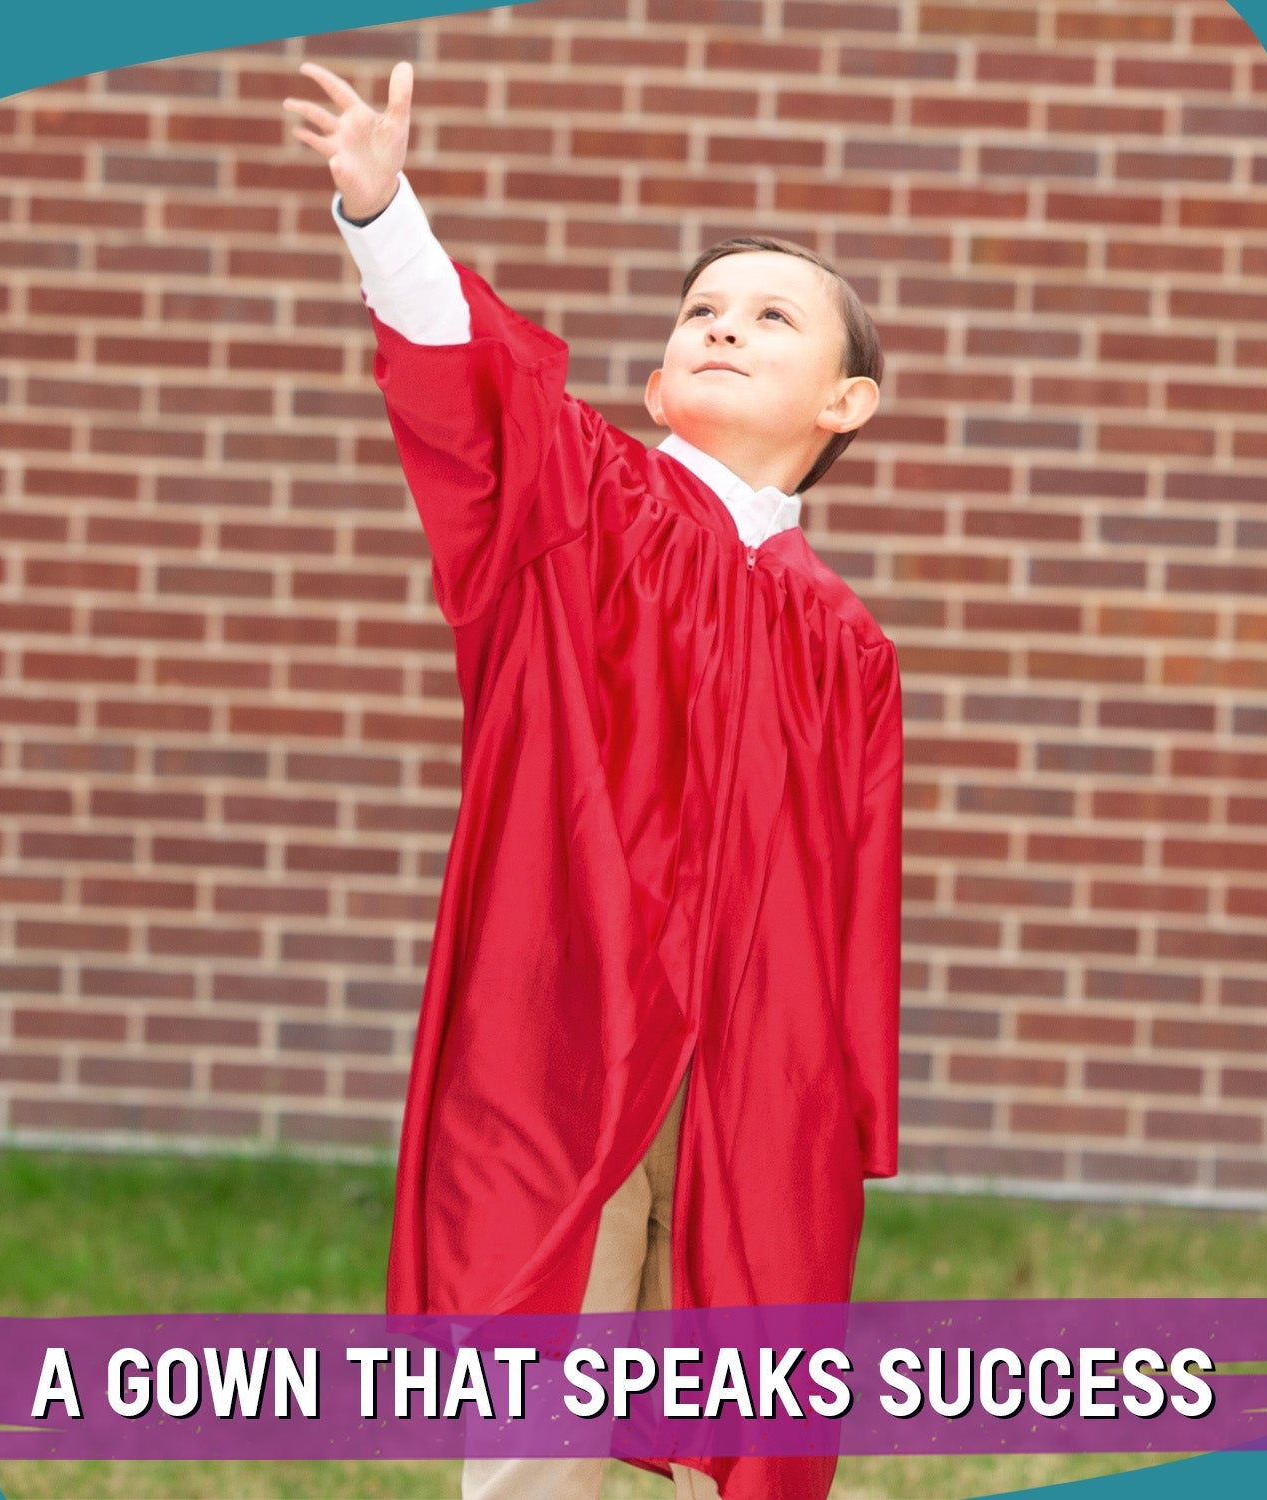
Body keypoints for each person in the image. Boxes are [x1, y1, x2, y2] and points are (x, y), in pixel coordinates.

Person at [286, 59, 903, 1500]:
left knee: (750, 1326)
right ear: (656, 381)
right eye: (701, 312)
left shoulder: (847, 645)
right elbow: (472, 382)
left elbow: (858, 882)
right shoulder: (585, 508)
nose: (724, 327)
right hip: (573, 982)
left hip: (758, 1042)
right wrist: (382, 211)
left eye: (770, 316)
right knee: (546, 1288)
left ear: (849, 402)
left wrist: (847, 1094)